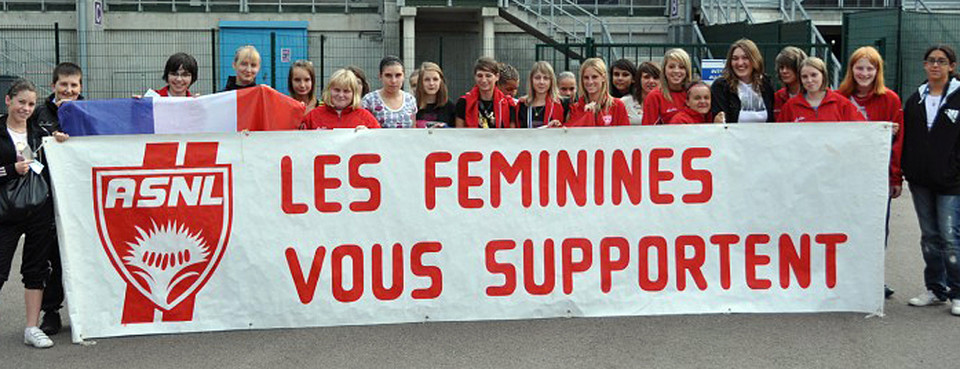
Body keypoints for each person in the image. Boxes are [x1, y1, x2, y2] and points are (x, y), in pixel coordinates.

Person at [0, 79, 69, 348]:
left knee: (36, 269)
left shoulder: (38, 130)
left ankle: (31, 327)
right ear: (8, 100)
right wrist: (9, 170)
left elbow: (51, 158)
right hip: (5, 212)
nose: (26, 108)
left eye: (30, 104)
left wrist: (61, 140)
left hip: (39, 208)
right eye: (21, 102)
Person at [838, 46, 905, 298]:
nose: (864, 73)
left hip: (877, 176)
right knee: (845, 226)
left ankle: (873, 278)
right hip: (845, 177)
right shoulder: (838, 97)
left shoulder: (891, 99)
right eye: (859, 67)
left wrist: (895, 176)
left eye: (870, 68)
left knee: (876, 228)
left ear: (877, 71)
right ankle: (843, 278)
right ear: (851, 70)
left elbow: (898, 143)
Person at [901, 44, 960, 315]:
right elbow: (909, 139)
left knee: (950, 237)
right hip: (921, 181)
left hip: (952, 183)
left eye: (941, 61)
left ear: (951, 66)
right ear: (924, 65)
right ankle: (935, 288)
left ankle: (957, 292)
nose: (935, 65)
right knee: (929, 237)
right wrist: (909, 170)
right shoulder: (915, 100)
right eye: (931, 61)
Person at [27, 62, 82, 336]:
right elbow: (28, 152)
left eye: (74, 85)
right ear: (53, 86)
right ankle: (51, 312)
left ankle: (86, 311)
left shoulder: (89, 112)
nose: (69, 90)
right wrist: (49, 144)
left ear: (81, 87)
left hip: (82, 198)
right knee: (52, 258)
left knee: (83, 255)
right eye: (64, 85)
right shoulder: (37, 115)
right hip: (47, 198)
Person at [778, 57, 864, 123]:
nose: (809, 80)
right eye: (804, 76)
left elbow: (861, 129)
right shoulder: (790, 106)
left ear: (823, 75)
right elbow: (779, 135)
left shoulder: (841, 104)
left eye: (814, 75)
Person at [710, 39, 776, 123]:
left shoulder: (765, 83)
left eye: (745, 58)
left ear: (754, 59)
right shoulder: (721, 86)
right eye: (735, 58)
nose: (740, 63)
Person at [302, 69, 380, 129]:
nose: (341, 95)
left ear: (354, 93)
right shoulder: (312, 116)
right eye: (337, 90)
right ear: (329, 90)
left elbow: (379, 142)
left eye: (346, 91)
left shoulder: (366, 117)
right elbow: (301, 142)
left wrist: (369, 135)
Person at [455, 57, 516, 128]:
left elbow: (511, 135)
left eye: (488, 76)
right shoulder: (463, 103)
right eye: (480, 76)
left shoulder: (508, 104)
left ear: (497, 77)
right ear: (474, 76)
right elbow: (459, 134)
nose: (484, 80)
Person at [566, 58, 629, 127]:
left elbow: (625, 134)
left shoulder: (617, 105)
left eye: (594, 77)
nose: (590, 82)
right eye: (586, 78)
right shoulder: (575, 108)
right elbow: (571, 133)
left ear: (603, 78)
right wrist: (586, 115)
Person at [362, 56, 418, 128]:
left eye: (398, 75)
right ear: (380, 76)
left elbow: (413, 129)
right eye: (388, 75)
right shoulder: (369, 100)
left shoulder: (410, 99)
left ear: (404, 76)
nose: (393, 81)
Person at [642, 48, 693, 125]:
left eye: (681, 67)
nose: (676, 71)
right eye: (671, 67)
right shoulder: (654, 97)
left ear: (687, 70)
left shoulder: (693, 94)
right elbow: (648, 129)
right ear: (664, 70)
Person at [516, 61, 565, 128]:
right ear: (531, 80)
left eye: (546, 78)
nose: (541, 82)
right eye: (537, 78)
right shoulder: (523, 105)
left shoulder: (563, 104)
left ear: (551, 81)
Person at [414, 62, 455, 128]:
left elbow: (456, 133)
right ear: (420, 82)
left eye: (435, 79)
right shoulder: (412, 105)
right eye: (427, 80)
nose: (431, 83)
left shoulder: (450, 107)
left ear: (441, 82)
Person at [774, 46, 807, 118]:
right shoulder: (776, 97)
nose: (784, 71)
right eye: (781, 67)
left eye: (789, 67)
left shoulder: (812, 96)